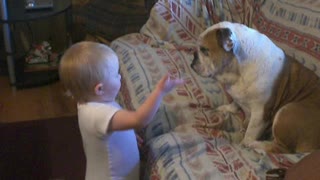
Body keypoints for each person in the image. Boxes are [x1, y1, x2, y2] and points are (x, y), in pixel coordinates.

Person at [59, 41, 185, 180]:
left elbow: (105, 131)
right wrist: (160, 91)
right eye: (115, 75)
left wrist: (124, 135)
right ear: (99, 89)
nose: (120, 77)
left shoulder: (87, 101)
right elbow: (139, 119)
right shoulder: (99, 114)